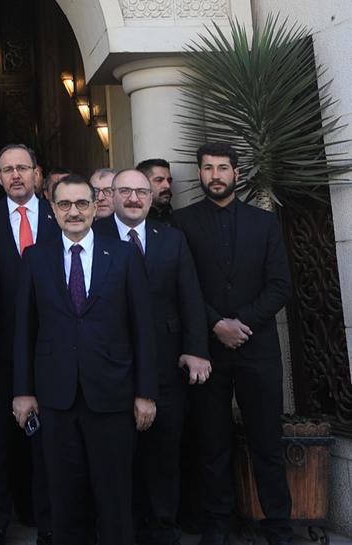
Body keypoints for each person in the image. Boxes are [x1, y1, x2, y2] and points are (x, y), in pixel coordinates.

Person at [12, 174, 156, 545]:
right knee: (64, 500)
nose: (73, 212)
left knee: (114, 499)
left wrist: (146, 392)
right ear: (53, 210)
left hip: (112, 396)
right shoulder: (35, 258)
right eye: (64, 204)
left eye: (81, 204)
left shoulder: (123, 256)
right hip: (56, 398)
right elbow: (24, 330)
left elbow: (143, 328)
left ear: (95, 207)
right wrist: (23, 392)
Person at [172, 142, 293, 545]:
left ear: (236, 173)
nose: (215, 175)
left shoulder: (265, 223)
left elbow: (279, 286)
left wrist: (240, 323)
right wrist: (215, 324)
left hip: (257, 350)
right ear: (200, 174)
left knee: (266, 443)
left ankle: (278, 526)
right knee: (212, 445)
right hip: (207, 352)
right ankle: (218, 526)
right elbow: (181, 287)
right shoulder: (181, 223)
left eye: (223, 167)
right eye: (207, 168)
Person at [93, 169, 211, 545]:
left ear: (149, 196)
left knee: (164, 455)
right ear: (110, 196)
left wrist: (195, 350)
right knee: (119, 459)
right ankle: (126, 530)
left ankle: (164, 529)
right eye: (124, 191)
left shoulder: (172, 240)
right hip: (112, 368)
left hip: (166, 364)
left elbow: (190, 298)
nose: (133, 198)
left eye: (140, 192)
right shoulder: (93, 236)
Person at [0, 144, 59, 545]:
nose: (15, 176)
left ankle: (45, 521)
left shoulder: (59, 215)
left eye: (22, 168)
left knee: (47, 441)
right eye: (7, 169)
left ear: (37, 174)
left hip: (52, 349)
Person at [136, 158, 175, 226]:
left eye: (169, 180)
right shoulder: (131, 220)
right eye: (159, 180)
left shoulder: (178, 219)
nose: (167, 186)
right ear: (142, 183)